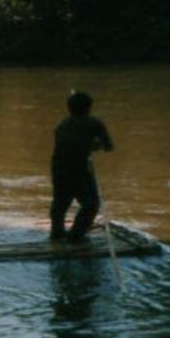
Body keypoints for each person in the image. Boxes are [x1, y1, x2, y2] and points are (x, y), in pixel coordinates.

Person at [50, 90, 114, 243]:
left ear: (69, 108)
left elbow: (69, 144)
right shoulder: (94, 123)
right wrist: (96, 145)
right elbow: (108, 146)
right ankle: (76, 235)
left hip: (58, 167)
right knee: (91, 204)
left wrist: (89, 145)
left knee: (61, 203)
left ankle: (57, 234)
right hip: (78, 168)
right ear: (89, 107)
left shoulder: (62, 125)